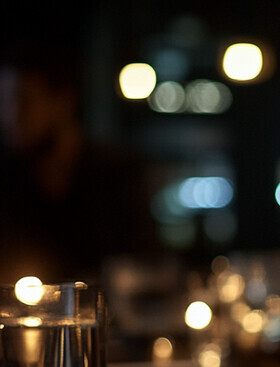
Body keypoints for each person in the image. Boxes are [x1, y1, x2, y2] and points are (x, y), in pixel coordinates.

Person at [0, 37, 161, 287]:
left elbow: (143, 266)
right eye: (4, 102)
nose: (11, 116)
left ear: (64, 101)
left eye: (23, 101)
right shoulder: (8, 178)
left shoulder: (115, 174)